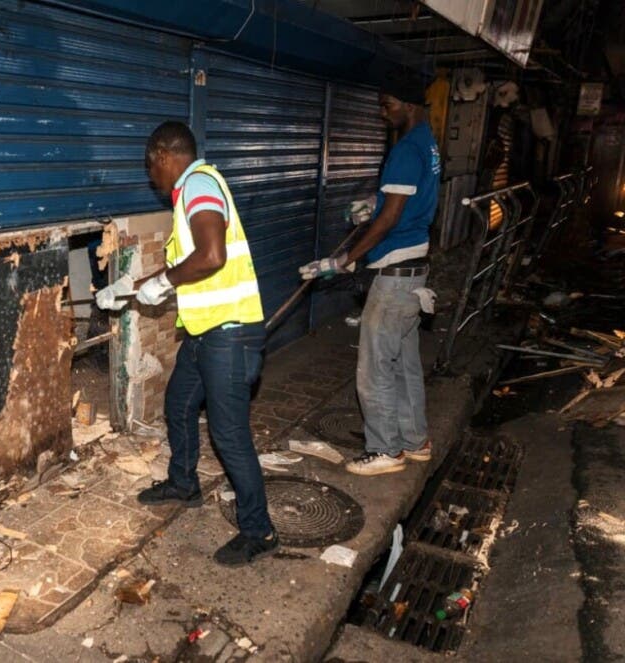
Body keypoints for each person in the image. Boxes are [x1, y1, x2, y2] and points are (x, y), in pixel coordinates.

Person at [96, 121, 276, 566]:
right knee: (178, 403)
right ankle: (184, 482)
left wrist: (165, 282)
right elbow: (189, 265)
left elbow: (211, 256)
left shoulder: (197, 183)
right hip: (207, 332)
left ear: (162, 156)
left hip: (230, 334)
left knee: (229, 435)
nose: (150, 178)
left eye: (149, 167)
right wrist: (127, 287)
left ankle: (260, 530)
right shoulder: (193, 191)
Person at [299, 73, 440, 476]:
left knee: (375, 368)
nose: (383, 113)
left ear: (410, 105)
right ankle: (415, 442)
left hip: (395, 275)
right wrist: (371, 203)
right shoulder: (426, 143)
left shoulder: (405, 150)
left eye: (388, 104)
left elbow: (391, 218)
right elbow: (400, 200)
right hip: (414, 272)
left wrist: (343, 259)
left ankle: (384, 451)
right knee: (405, 365)